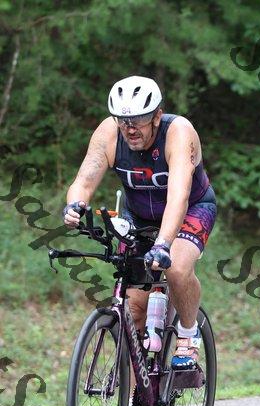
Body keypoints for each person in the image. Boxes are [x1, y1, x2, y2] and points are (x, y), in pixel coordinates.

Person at [63, 75, 217, 373]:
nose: (130, 128)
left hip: (191, 208)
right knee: (133, 310)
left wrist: (163, 243)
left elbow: (178, 197)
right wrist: (74, 205)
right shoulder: (109, 133)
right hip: (138, 215)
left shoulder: (178, 132)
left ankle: (188, 333)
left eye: (139, 120)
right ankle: (135, 397)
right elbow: (83, 181)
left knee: (176, 267)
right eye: (123, 121)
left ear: (157, 116)